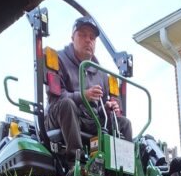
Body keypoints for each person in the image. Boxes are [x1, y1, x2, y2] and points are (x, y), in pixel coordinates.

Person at [46, 16, 133, 164]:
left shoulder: (102, 74)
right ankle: (76, 163)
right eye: (83, 35)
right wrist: (83, 96)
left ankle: (125, 170)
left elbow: (100, 110)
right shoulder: (58, 58)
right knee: (68, 104)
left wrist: (106, 108)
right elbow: (56, 98)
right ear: (73, 37)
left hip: (89, 120)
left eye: (92, 37)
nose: (88, 40)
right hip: (61, 116)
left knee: (124, 123)